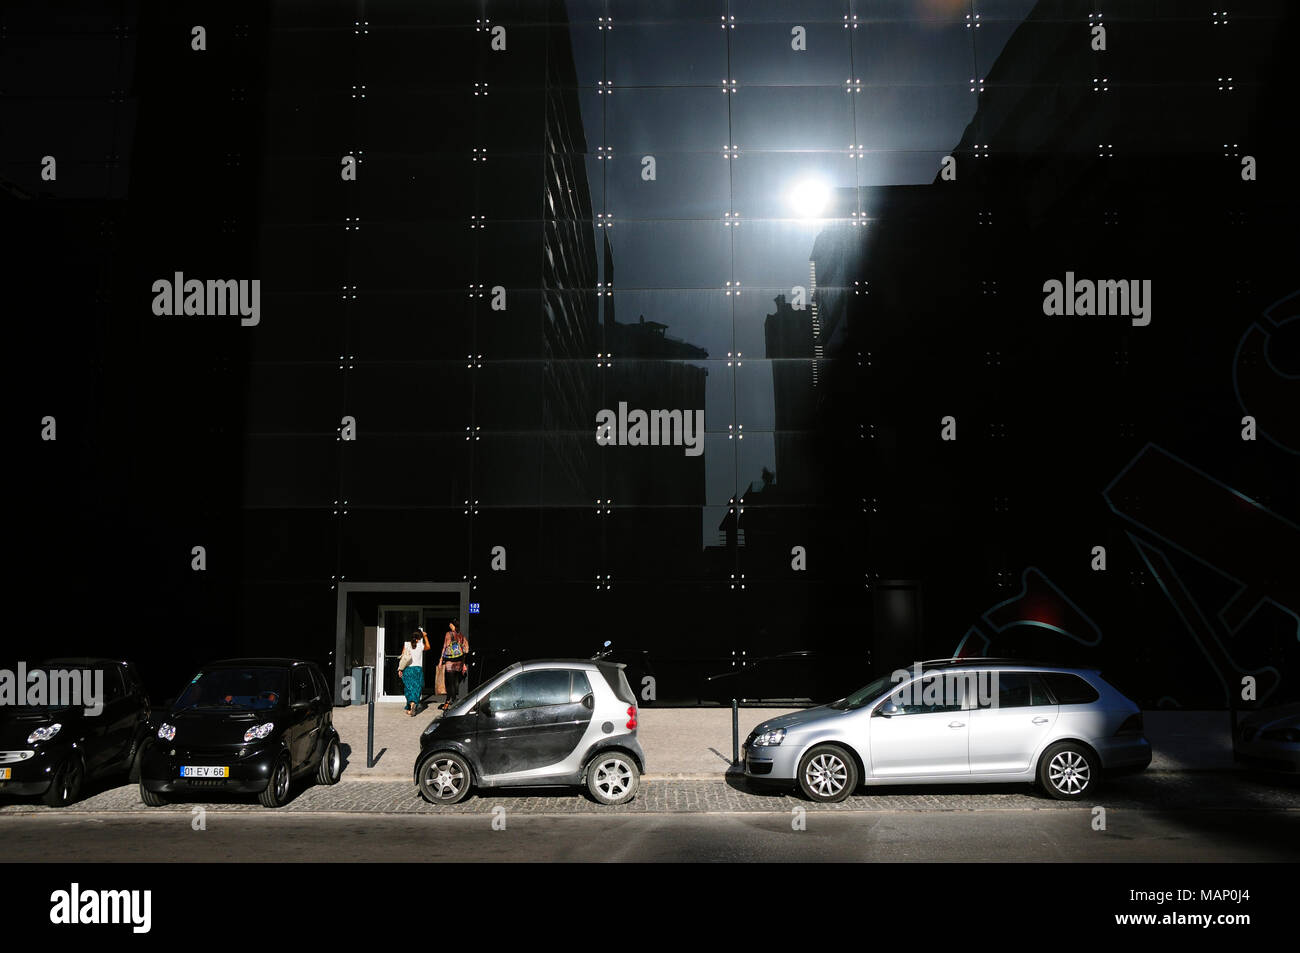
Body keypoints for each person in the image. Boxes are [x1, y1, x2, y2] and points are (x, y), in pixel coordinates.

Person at [397, 628, 428, 717]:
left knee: (408, 689)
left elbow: (403, 657)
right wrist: (425, 637)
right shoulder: (420, 645)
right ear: (420, 637)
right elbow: (429, 647)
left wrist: (400, 669)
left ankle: (411, 706)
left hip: (408, 670)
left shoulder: (406, 644)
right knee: (417, 688)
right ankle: (413, 704)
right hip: (417, 670)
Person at [439, 620, 469, 710]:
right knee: (455, 682)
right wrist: (463, 664)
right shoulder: (461, 635)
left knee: (449, 683)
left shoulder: (449, 634)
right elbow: (466, 650)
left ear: (452, 625)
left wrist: (441, 660)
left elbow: (445, 646)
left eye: (450, 623)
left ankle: (450, 701)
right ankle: (451, 700)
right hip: (459, 661)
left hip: (450, 662)